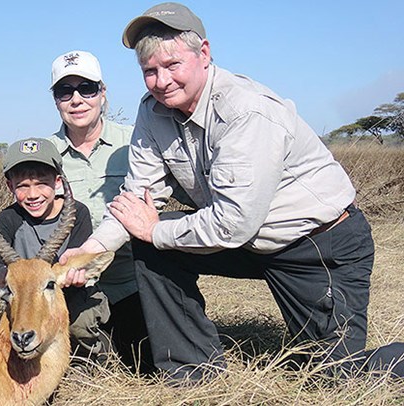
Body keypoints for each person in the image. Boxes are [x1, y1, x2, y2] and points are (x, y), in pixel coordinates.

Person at [62, 2, 404, 381]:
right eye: (150, 71)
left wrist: (154, 230)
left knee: (334, 375)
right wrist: (91, 249)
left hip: (317, 245)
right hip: (248, 242)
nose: (161, 81)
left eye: (172, 65)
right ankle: (191, 371)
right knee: (149, 241)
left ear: (204, 54)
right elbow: (136, 200)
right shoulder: (152, 111)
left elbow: (233, 223)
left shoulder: (246, 111)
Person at [47, 50, 154, 374]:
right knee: (77, 369)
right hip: (73, 287)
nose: (76, 99)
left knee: (146, 364)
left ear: (102, 93)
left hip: (130, 281)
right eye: (65, 91)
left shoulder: (137, 139)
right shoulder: (44, 155)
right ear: (56, 100)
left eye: (86, 89)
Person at [0, 137, 112, 362]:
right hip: (27, 299)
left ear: (57, 182)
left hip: (73, 295)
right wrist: (8, 275)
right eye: (22, 186)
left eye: (42, 183)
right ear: (10, 186)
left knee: (80, 322)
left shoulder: (77, 213)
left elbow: (82, 262)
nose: (33, 194)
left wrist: (73, 275)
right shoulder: (8, 219)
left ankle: (87, 362)